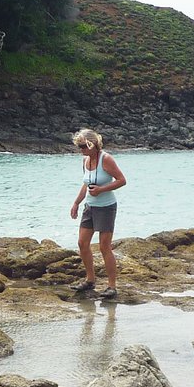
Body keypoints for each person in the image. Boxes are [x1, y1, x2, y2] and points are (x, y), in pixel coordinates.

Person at [68, 128, 126, 298]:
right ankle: (90, 279)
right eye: (79, 147)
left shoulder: (106, 159)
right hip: (90, 207)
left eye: (83, 146)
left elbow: (122, 180)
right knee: (82, 243)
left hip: (106, 207)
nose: (81, 150)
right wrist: (76, 203)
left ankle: (112, 286)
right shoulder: (85, 160)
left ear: (92, 144)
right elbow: (86, 184)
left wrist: (101, 189)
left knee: (104, 246)